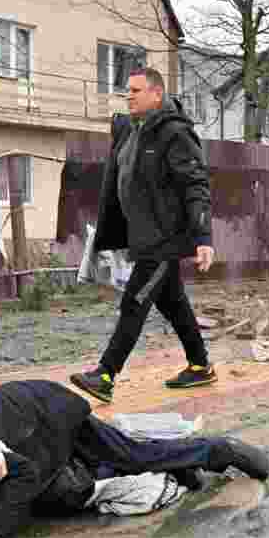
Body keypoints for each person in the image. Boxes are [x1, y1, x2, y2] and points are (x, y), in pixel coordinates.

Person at [0, 379, 269, 538]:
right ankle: (182, 466)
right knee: (75, 485)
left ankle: (216, 451)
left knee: (132, 455)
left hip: (45, 411)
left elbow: (22, 473)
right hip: (28, 435)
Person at [70, 66, 215, 404]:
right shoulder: (133, 132)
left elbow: (195, 185)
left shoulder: (174, 134)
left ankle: (105, 375)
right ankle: (201, 365)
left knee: (134, 301)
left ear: (156, 94)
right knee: (173, 303)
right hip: (144, 237)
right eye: (128, 91)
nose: (129, 96)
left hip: (166, 239)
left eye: (136, 91)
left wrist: (203, 236)